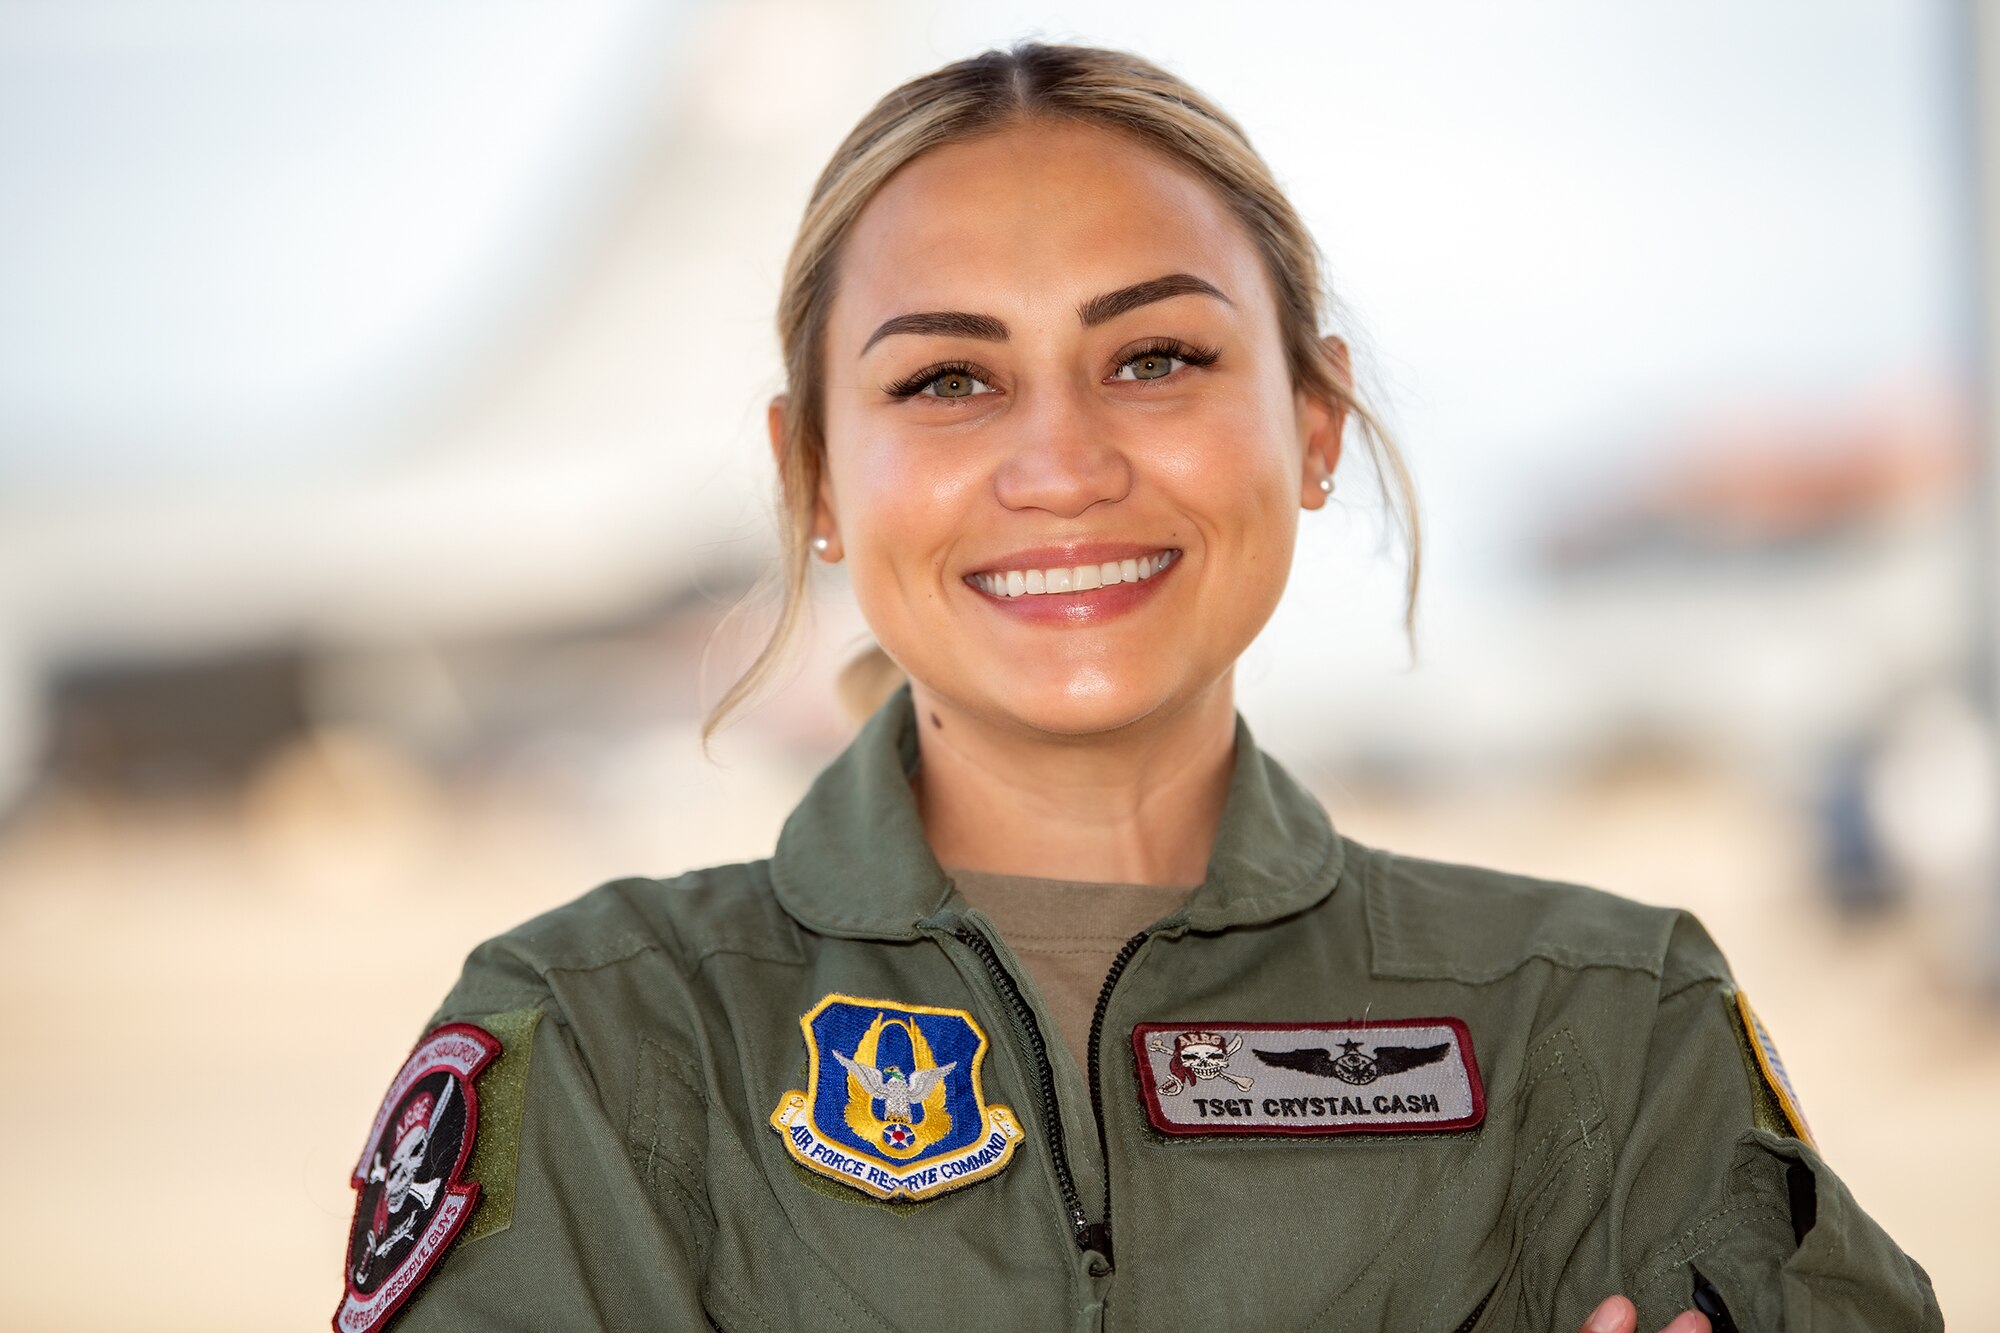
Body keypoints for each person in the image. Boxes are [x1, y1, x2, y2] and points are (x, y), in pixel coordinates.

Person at [332, 41, 1943, 1333]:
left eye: (1157, 357)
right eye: (949, 378)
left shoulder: (1604, 1027)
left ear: (1314, 421)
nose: (1063, 463)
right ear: (814, 471)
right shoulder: (607, 1039)